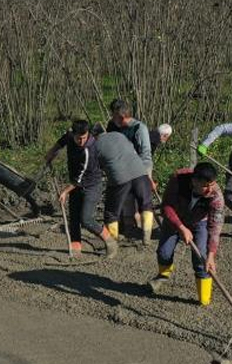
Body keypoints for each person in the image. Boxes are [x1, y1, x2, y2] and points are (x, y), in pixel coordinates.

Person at [147, 162, 223, 305]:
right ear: (194, 181)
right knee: (164, 253)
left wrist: (211, 254)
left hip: (199, 222)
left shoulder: (216, 197)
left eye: (212, 184)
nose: (209, 189)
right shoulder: (178, 179)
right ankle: (163, 275)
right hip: (175, 218)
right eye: (205, 185)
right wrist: (181, 228)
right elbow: (166, 207)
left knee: (202, 260)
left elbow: (215, 227)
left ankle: (204, 300)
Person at [43, 120, 119, 258]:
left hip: (91, 185)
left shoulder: (88, 150)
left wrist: (65, 191)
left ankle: (110, 241)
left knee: (86, 219)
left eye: (84, 137)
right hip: (76, 183)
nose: (81, 141)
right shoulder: (69, 136)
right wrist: (52, 152)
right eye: (78, 138)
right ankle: (76, 249)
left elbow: (79, 178)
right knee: (74, 218)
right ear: (73, 134)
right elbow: (62, 141)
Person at [106, 98, 156, 241]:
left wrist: (147, 176)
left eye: (114, 115)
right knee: (125, 201)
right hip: (120, 169)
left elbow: (146, 155)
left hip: (139, 169)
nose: (112, 118)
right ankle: (128, 231)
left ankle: (146, 234)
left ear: (121, 116)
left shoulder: (139, 128)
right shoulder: (112, 126)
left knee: (143, 199)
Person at [95, 131, 155, 245]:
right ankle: (147, 237)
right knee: (146, 204)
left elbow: (97, 166)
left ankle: (113, 241)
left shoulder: (95, 145)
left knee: (111, 212)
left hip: (119, 178)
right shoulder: (120, 135)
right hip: (141, 173)